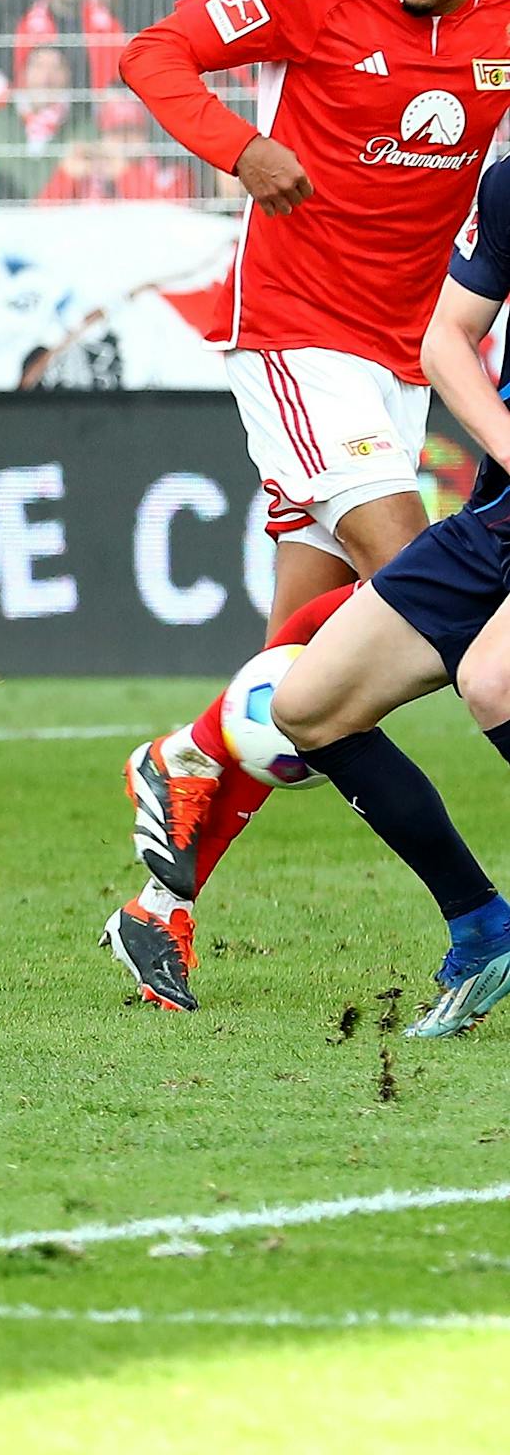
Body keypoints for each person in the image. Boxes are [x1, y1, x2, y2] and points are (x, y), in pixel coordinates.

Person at [102, 0, 510, 1011]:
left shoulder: (503, 16)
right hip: (295, 335)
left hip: (404, 361)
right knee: (423, 585)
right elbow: (153, 51)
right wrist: (244, 147)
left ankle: (159, 895)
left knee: (301, 683)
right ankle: (474, 914)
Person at [270, 151, 510, 1036]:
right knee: (309, 703)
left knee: (494, 681)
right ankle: (482, 926)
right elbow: (446, 338)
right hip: (498, 515)